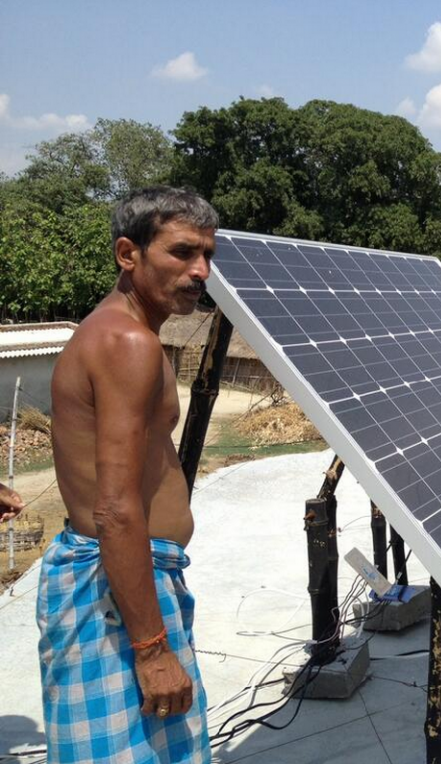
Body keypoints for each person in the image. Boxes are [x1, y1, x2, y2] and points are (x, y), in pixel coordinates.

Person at [2, 187, 219, 763]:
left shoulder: (117, 331)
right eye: (182, 253)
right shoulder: (128, 343)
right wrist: (150, 649)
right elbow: (116, 508)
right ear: (129, 254)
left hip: (123, 577)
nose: (200, 270)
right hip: (116, 584)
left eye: (207, 255)